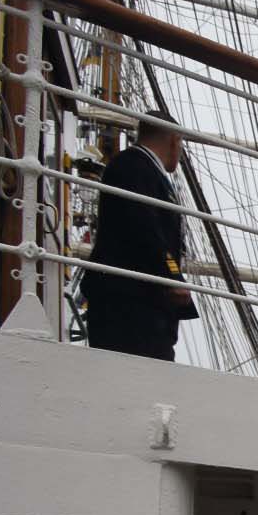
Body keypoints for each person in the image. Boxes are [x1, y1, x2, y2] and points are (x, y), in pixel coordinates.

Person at [82, 108, 198, 360]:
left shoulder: (136, 167)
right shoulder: (134, 166)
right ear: (174, 140)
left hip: (140, 303)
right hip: (131, 303)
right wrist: (172, 276)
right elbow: (145, 226)